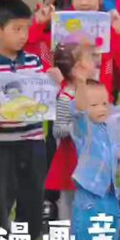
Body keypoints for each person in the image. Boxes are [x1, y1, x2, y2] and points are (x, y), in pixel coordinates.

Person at [0, 0, 60, 240]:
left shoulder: (36, 62)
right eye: (16, 29)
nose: (23, 35)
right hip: (3, 144)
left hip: (33, 140)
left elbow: (45, 95)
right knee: (3, 201)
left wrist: (54, 80)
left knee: (33, 197)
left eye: (26, 28)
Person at [70, 75, 120, 240]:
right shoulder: (83, 128)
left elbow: (112, 148)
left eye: (105, 103)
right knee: (86, 225)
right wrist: (81, 83)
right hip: (89, 188)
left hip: (108, 187)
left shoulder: (108, 127)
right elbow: (77, 109)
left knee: (110, 221)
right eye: (94, 105)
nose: (101, 109)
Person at [47, 42, 98, 221]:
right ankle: (68, 232)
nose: (95, 62)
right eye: (90, 58)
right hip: (71, 156)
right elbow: (58, 129)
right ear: (77, 68)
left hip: (92, 154)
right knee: (68, 199)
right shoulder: (65, 96)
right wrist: (76, 127)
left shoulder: (94, 91)